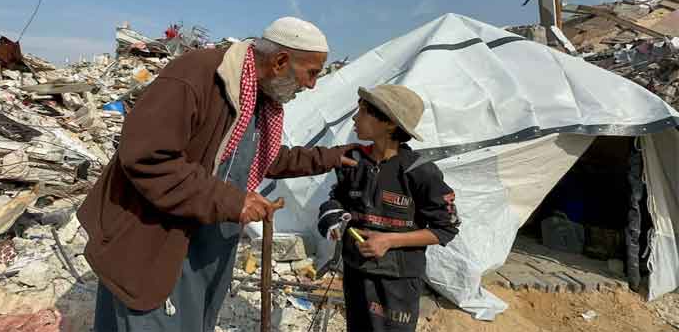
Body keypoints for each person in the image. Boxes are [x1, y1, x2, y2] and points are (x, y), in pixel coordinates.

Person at [78, 16, 356, 331]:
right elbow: (147, 155)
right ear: (280, 61)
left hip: (202, 246)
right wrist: (231, 200)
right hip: (156, 240)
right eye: (312, 73)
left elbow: (255, 157)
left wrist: (331, 158)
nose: (312, 85)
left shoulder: (256, 96)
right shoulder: (198, 75)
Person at [318, 84, 460, 332]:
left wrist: (389, 240)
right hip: (356, 271)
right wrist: (331, 213)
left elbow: (446, 229)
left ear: (390, 123)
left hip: (397, 281)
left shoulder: (419, 172)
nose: (354, 117)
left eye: (363, 112)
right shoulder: (354, 160)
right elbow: (338, 199)